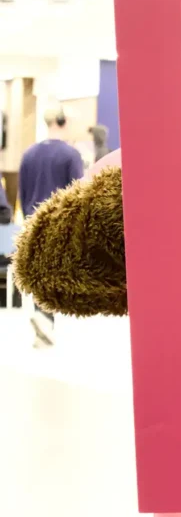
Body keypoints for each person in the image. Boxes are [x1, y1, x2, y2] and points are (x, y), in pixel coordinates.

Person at [18, 107, 84, 346]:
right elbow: (77, 193)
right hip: (60, 223)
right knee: (56, 274)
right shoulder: (70, 155)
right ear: (63, 121)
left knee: (41, 273)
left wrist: (27, 220)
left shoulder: (29, 154)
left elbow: (22, 192)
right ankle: (45, 320)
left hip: (33, 222)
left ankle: (43, 319)